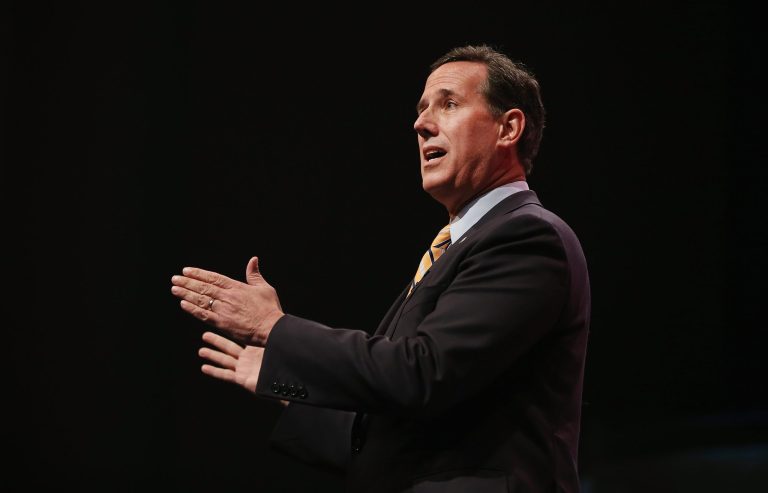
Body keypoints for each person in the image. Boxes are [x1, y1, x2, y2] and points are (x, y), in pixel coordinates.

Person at [171, 44, 590, 493]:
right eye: (421, 109)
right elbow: (393, 431)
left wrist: (277, 330)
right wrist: (287, 385)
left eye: (448, 104)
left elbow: (420, 375)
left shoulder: (526, 237)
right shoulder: (457, 247)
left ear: (508, 128)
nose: (421, 123)